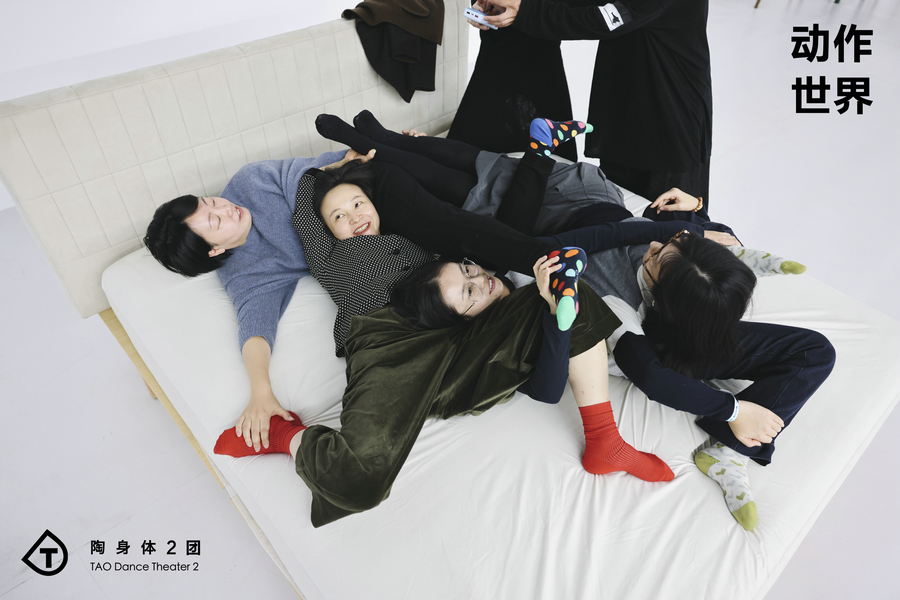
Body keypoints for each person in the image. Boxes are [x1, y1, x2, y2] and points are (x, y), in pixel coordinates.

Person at [214, 254, 676, 527]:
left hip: (445, 319)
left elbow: (544, 387)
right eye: (471, 289)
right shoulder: (339, 257)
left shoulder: (444, 261)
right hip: (390, 344)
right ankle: (284, 434)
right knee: (360, 481)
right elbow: (546, 390)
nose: (481, 279)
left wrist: (554, 309)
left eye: (470, 270)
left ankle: (604, 439)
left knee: (568, 288)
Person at [576, 188, 835, 530]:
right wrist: (735, 411)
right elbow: (651, 377)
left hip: (690, 323)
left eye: (665, 246)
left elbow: (697, 250)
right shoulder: (614, 298)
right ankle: (732, 450)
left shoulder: (674, 266)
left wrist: (697, 211)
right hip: (659, 345)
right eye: (659, 254)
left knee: (815, 351)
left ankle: (727, 453)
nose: (652, 245)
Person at [477, 0, 714, 209]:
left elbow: (603, 20)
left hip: (670, 120)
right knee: (616, 215)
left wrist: (525, 10)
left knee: (671, 227)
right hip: (625, 113)